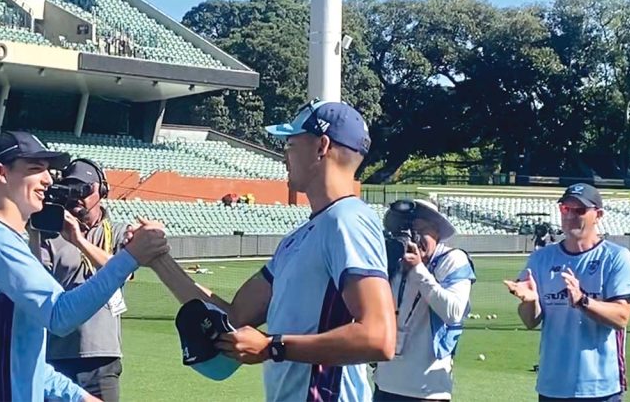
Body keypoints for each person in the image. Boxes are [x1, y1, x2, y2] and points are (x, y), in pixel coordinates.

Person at [148, 100, 397, 401]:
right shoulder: (299, 237)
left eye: (290, 144)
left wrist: (273, 347)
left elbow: (378, 337)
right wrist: (159, 259)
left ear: (322, 146)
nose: (284, 156)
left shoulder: (348, 220)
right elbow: (236, 316)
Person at [0, 131, 170, 402]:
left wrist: (82, 398)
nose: (48, 179)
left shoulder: (6, 241)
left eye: (48, 171)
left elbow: (27, 364)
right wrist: (131, 256)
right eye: (35, 169)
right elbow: (59, 314)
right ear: (1, 173)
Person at [504, 183, 630, 401]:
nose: (571, 216)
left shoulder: (616, 258)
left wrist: (583, 301)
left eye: (580, 210)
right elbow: (530, 321)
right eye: (566, 209)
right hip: (552, 386)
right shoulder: (541, 259)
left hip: (599, 388)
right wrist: (529, 301)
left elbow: (621, 318)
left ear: (598, 215)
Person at [29, 158, 131, 401]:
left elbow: (123, 272)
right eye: (71, 189)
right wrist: (34, 231)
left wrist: (79, 241)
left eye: (85, 189)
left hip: (102, 355)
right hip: (57, 353)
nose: (77, 197)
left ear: (102, 191)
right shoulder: (50, 233)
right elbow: (36, 280)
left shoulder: (118, 231)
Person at [373, 199, 475, 401]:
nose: (414, 239)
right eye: (408, 232)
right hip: (385, 382)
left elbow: (453, 313)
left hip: (428, 389)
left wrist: (419, 270)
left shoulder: (452, 259)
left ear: (437, 232)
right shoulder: (393, 261)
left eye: (420, 230)